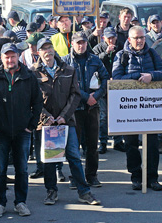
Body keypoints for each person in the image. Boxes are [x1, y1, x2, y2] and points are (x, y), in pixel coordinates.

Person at [31, 39, 101, 206]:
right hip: (46, 123)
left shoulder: (68, 69)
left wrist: (64, 115)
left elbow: (75, 95)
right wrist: (45, 116)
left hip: (66, 121)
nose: (47, 52)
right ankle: (51, 191)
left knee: (74, 157)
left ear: (54, 50)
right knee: (49, 159)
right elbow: (32, 99)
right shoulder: (33, 73)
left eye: (49, 48)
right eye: (43, 49)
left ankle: (84, 192)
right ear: (38, 53)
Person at [0, 43, 42, 218]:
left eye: (13, 56)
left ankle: (20, 202)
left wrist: (31, 125)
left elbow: (38, 102)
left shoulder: (29, 77)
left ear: (18, 56)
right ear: (1, 58)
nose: (10, 60)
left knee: (22, 169)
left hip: (22, 132)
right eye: (6, 57)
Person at [112, 26, 162, 190]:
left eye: (142, 38)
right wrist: (137, 77)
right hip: (129, 109)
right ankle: (136, 176)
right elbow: (117, 78)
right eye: (136, 38)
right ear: (129, 39)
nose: (139, 41)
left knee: (151, 144)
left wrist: (152, 76)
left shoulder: (152, 53)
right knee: (131, 144)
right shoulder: (121, 56)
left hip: (149, 107)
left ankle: (152, 178)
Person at [63, 32, 108, 188]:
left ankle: (92, 175)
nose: (81, 46)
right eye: (78, 43)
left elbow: (105, 80)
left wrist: (96, 96)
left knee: (92, 145)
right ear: (72, 44)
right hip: (74, 109)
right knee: (73, 146)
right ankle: (75, 176)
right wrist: (84, 96)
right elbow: (65, 86)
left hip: (92, 108)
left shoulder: (95, 60)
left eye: (83, 42)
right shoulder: (65, 61)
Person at [92, 27, 119, 153]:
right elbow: (94, 61)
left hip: (116, 86)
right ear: (104, 38)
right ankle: (103, 142)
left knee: (117, 115)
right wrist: (106, 53)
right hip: (102, 86)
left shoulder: (120, 49)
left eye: (113, 37)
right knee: (103, 116)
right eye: (109, 38)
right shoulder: (98, 48)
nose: (111, 40)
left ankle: (118, 141)